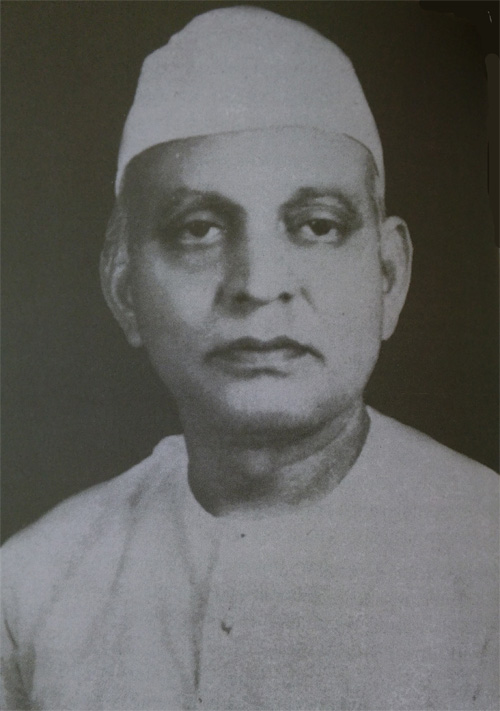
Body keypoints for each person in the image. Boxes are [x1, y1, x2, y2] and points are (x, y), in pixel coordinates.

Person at [1, 7, 498, 710]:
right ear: (124, 288)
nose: (260, 285)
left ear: (388, 277)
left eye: (317, 225)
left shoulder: (487, 552)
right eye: (199, 229)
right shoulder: (30, 587)